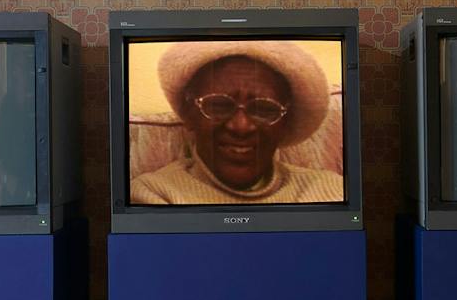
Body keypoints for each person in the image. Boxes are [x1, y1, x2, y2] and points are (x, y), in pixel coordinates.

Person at [130, 40, 344, 205]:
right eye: (218, 105)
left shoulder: (332, 191)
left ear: (285, 122)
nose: (241, 126)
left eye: (264, 109)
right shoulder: (154, 194)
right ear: (189, 114)